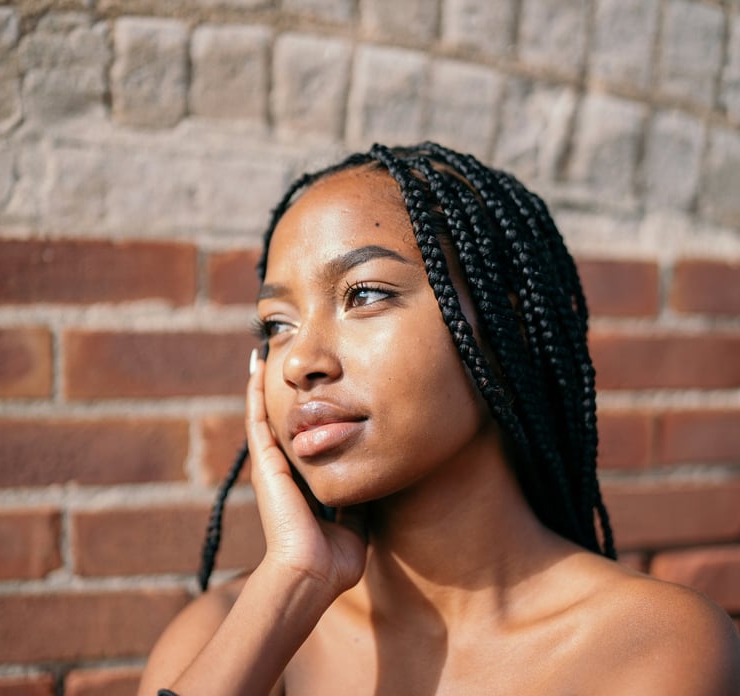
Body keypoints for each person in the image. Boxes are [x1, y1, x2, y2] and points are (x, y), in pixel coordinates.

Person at [138, 143, 740, 695]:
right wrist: (292, 582)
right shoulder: (224, 634)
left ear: (505, 335)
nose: (298, 361)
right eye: (276, 325)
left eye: (365, 294)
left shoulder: (652, 646)